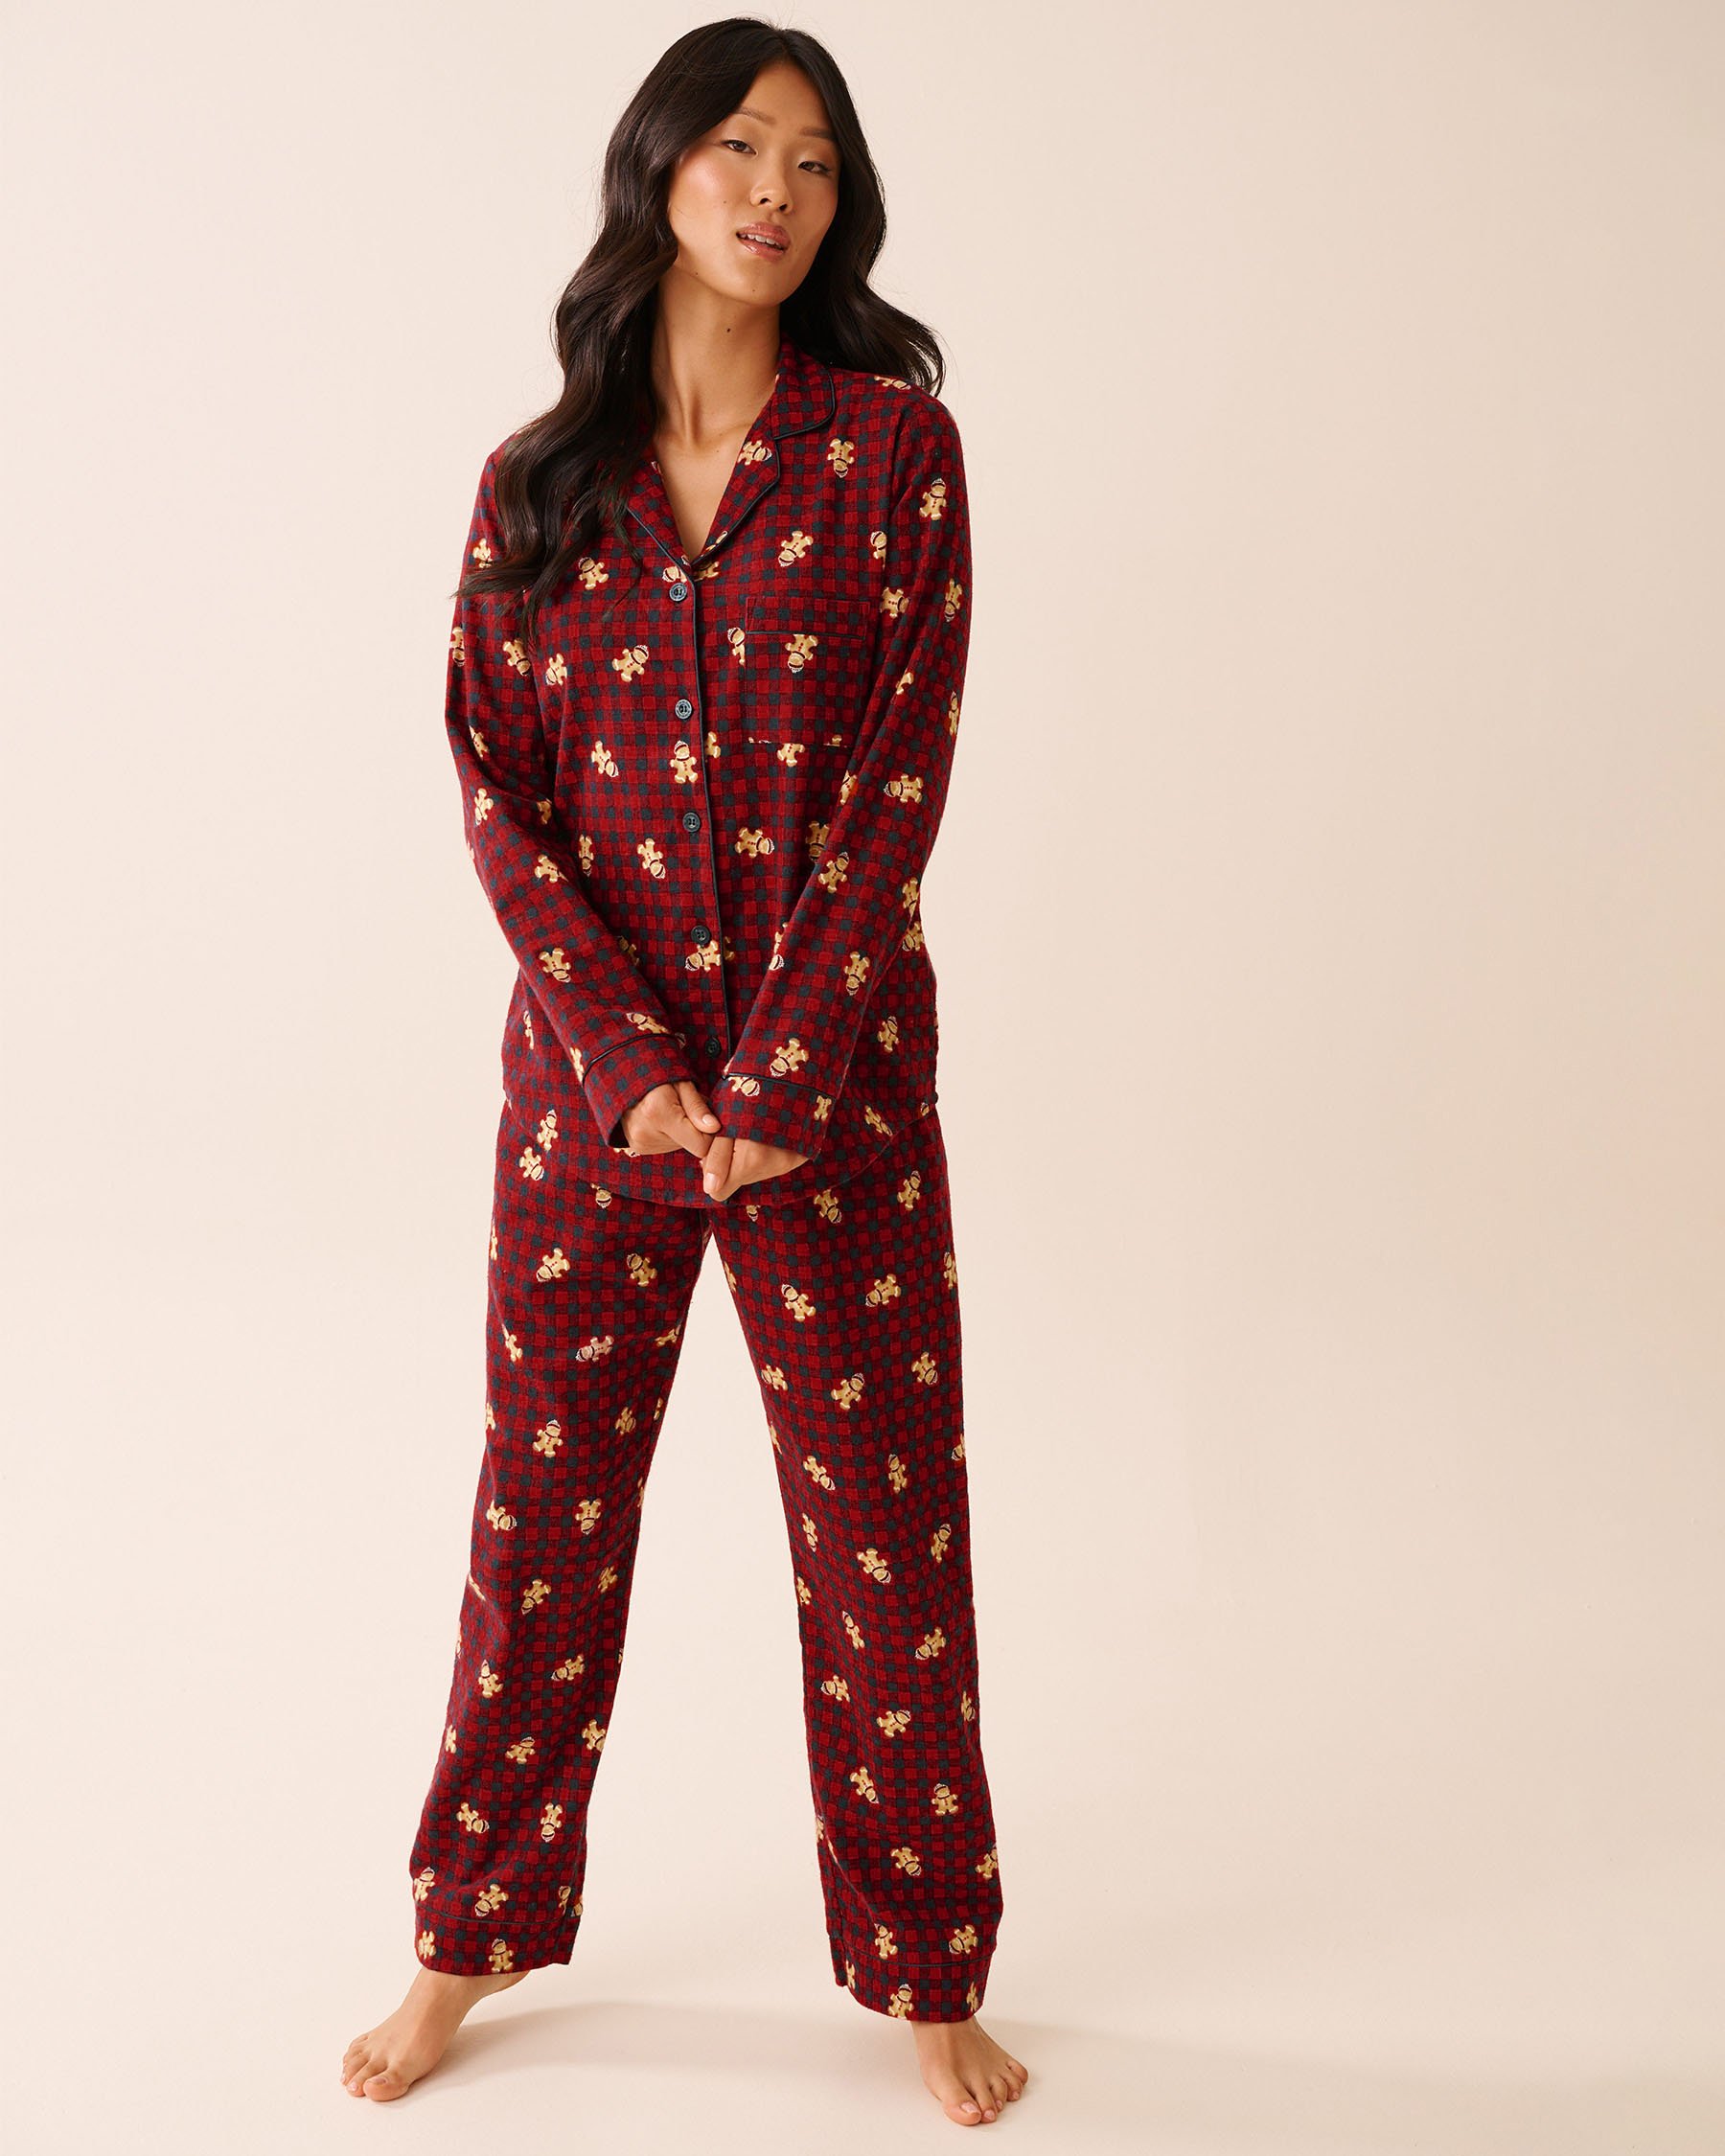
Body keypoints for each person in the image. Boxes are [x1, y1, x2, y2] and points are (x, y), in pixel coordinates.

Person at [341, 19, 1028, 2129]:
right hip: (591, 1119)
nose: (775, 191)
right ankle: (467, 1935)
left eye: (814, 162)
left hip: (839, 1114)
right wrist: (636, 1072)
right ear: (659, 169)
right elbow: (497, 797)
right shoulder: (534, 486)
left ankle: (928, 1968)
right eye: (739, 146)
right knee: (540, 1531)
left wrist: (781, 1083)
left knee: (890, 1547)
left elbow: (896, 789)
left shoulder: (896, 457)